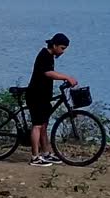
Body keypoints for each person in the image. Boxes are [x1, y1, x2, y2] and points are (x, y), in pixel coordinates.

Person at [26, 33, 78, 166]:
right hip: (35, 95)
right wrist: (66, 77)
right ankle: (35, 157)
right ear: (54, 45)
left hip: (44, 96)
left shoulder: (50, 56)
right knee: (37, 125)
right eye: (62, 48)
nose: (63, 51)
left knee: (44, 125)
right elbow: (48, 73)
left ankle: (46, 153)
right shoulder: (44, 55)